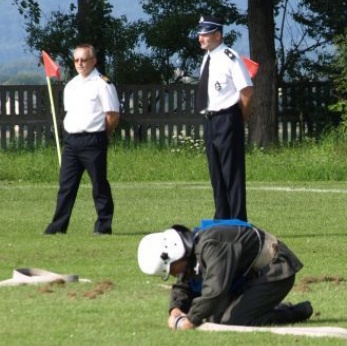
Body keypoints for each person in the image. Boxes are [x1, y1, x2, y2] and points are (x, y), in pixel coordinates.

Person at [137, 219, 314, 329]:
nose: (175, 275)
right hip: (253, 274)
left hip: (276, 270)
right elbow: (184, 283)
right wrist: (176, 310)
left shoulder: (212, 246)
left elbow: (215, 291)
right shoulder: (191, 252)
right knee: (214, 316)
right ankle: (260, 305)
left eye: (172, 269)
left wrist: (191, 320)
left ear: (177, 254)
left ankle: (295, 312)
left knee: (234, 320)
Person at [44, 44, 120, 235]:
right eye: (76, 60)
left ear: (93, 61)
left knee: (99, 185)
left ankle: (103, 225)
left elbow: (112, 115)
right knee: (66, 186)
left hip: (93, 139)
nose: (79, 63)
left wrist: (103, 135)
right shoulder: (71, 85)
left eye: (84, 59)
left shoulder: (103, 84)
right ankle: (58, 226)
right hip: (72, 141)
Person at [195, 16, 254, 221]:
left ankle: (237, 220)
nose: (200, 38)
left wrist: (239, 118)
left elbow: (246, 91)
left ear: (217, 35)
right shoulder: (208, 57)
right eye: (200, 34)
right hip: (210, 119)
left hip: (227, 117)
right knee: (217, 175)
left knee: (232, 174)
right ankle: (222, 217)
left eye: (205, 34)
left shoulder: (230, 56)